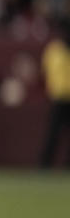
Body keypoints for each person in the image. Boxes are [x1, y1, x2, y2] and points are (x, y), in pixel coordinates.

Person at [39, 17, 70, 167]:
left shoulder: (55, 49)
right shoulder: (54, 49)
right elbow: (46, 72)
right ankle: (45, 164)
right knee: (53, 133)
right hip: (58, 97)